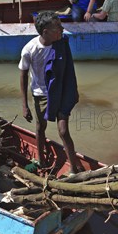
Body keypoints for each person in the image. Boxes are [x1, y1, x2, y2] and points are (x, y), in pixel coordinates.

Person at [19, 11, 83, 173]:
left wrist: (73, 90)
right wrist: (24, 105)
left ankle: (73, 168)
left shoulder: (61, 43)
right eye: (58, 28)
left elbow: (69, 67)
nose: (61, 30)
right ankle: (40, 160)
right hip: (40, 93)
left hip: (60, 91)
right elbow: (23, 74)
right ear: (46, 32)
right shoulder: (30, 50)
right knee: (41, 127)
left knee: (63, 131)